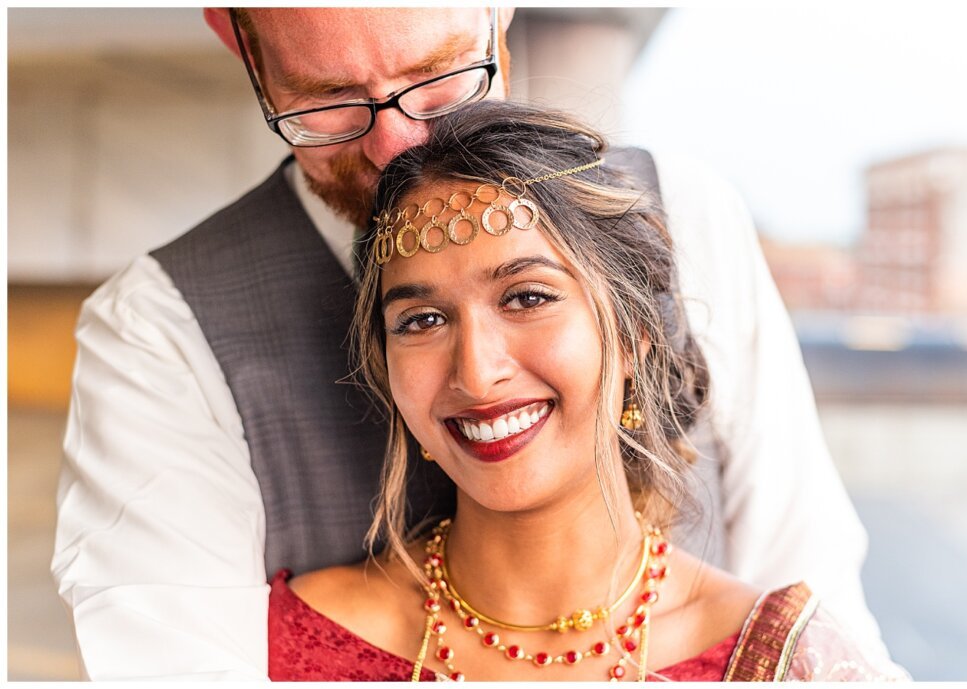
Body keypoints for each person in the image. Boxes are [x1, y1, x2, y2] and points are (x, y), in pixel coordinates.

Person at [51, 8, 886, 681]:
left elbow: (807, 567)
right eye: (328, 98)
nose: (400, 148)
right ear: (238, 41)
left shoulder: (689, 213)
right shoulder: (161, 327)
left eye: (436, 76)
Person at [268, 101, 907, 681]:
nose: (477, 372)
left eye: (527, 298)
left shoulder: (783, 662)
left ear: (632, 335)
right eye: (422, 321)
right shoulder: (292, 647)